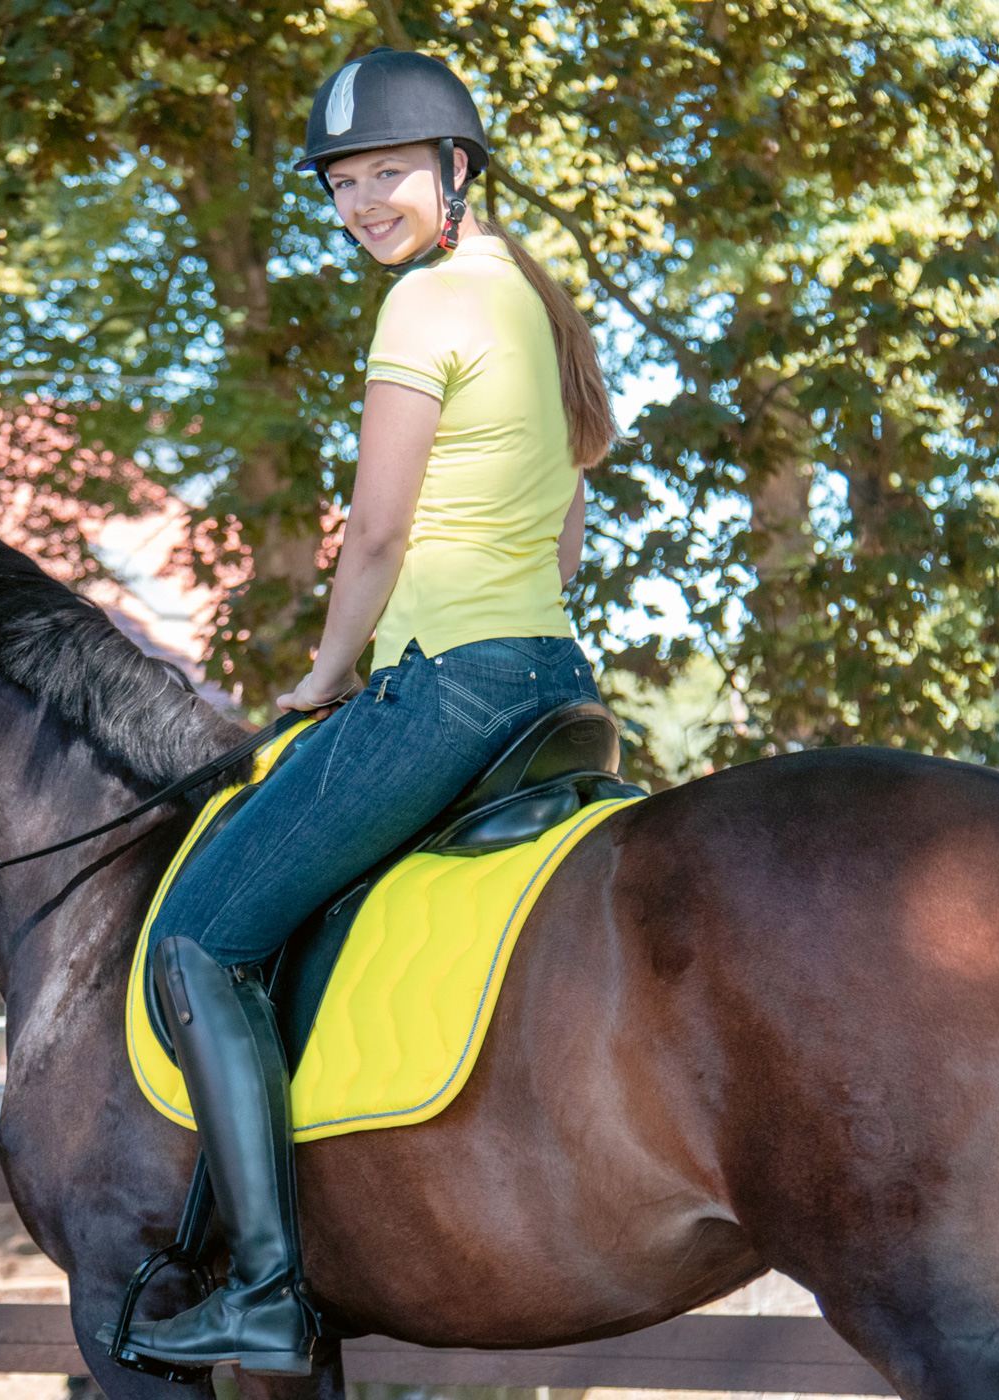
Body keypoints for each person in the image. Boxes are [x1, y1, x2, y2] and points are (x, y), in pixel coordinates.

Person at [106, 45, 619, 1376]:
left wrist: (328, 675)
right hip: (550, 679)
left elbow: (379, 532)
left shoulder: (424, 304)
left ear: (454, 169)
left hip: (444, 683)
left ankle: (268, 1289)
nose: (361, 204)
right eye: (341, 185)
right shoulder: (533, 304)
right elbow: (564, 544)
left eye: (386, 173)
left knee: (199, 941)